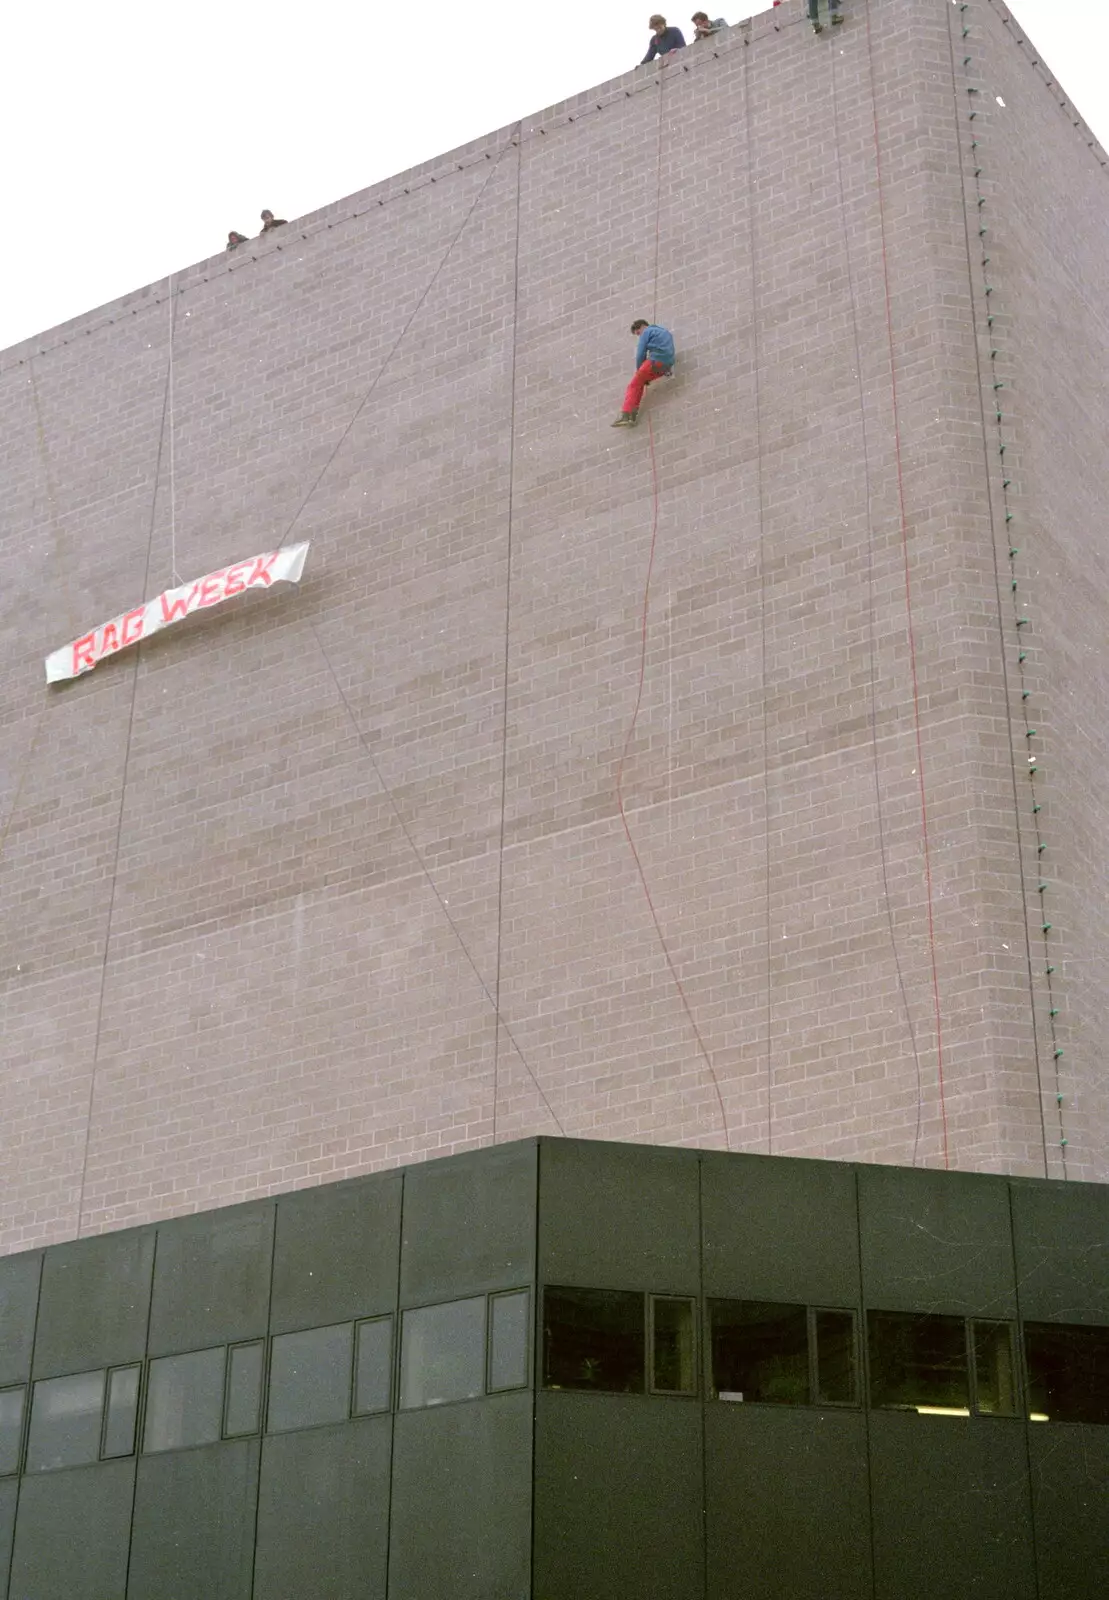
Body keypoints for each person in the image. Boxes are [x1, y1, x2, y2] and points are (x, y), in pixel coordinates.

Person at [612, 319, 676, 428]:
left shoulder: (647, 331)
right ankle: (631, 415)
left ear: (642, 327)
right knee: (640, 382)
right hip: (666, 366)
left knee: (634, 384)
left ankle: (627, 415)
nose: (639, 336)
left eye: (638, 333)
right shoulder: (665, 332)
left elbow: (640, 353)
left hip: (655, 361)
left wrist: (639, 370)